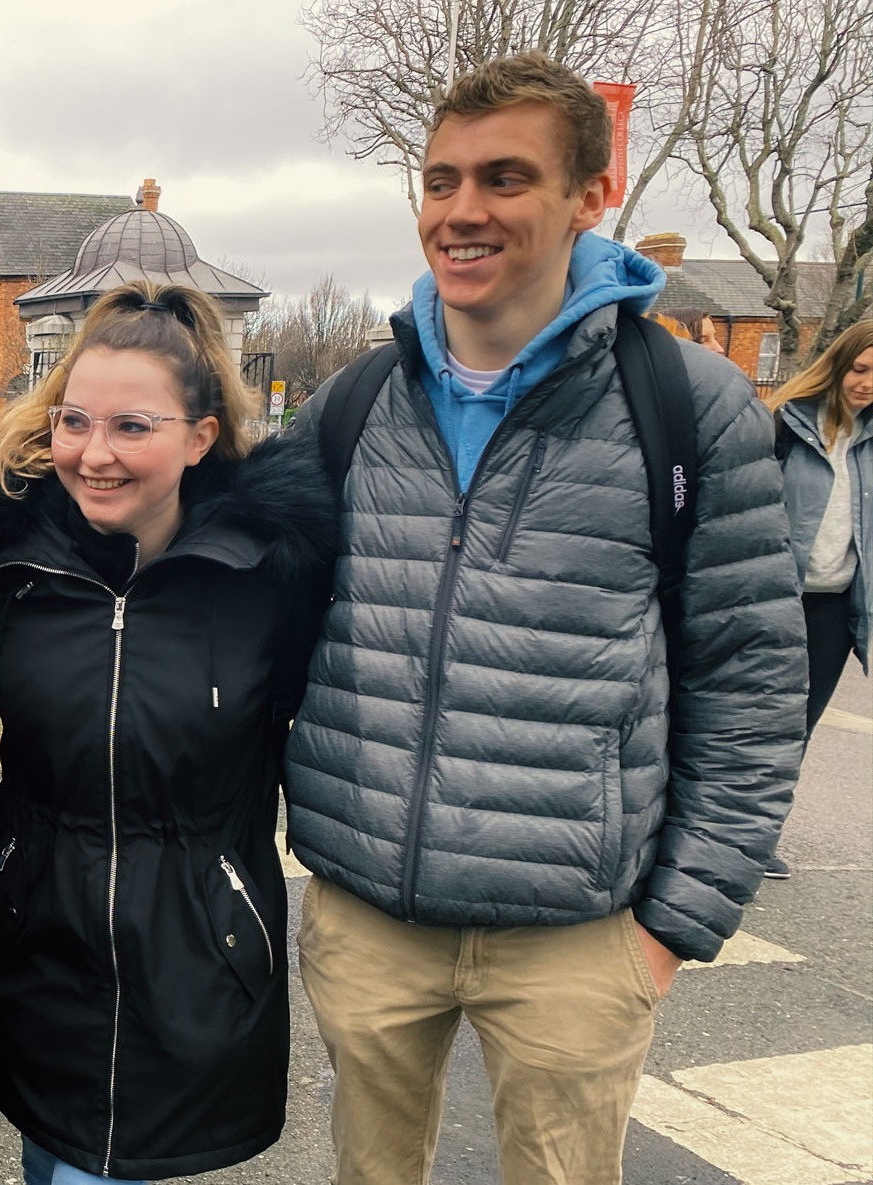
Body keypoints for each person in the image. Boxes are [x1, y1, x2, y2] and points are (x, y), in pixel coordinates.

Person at [284, 53, 806, 1185]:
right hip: (370, 916)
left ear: (588, 196)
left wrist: (674, 924)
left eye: (504, 178)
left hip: (578, 934)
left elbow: (751, 680)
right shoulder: (360, 401)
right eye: (440, 180)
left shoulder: (687, 405)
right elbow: (228, 577)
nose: (461, 211)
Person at [0, 280, 337, 1184]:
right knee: (53, 1163)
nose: (94, 454)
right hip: (36, 946)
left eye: (134, 426)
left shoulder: (269, 579)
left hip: (197, 954)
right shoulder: (8, 571)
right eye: (76, 422)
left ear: (201, 436)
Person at [763, 319, 873, 878]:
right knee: (746, 718)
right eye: (861, 368)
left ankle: (759, 838)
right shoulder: (786, 422)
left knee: (798, 727)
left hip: (833, 609)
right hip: (772, 601)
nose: (868, 382)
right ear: (839, 364)